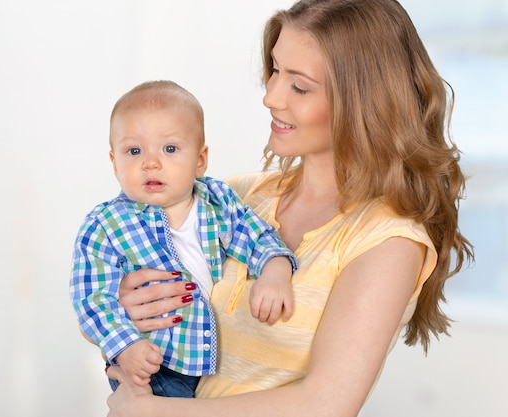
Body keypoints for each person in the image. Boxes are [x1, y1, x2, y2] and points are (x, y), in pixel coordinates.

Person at [104, 0, 475, 416]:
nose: (271, 97)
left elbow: (325, 404)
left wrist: (151, 411)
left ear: (362, 103)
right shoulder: (233, 198)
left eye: (299, 87)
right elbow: (114, 307)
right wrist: (123, 300)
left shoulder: (387, 241)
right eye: (275, 70)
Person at [70, 80, 297, 398]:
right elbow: (92, 299)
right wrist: (126, 346)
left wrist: (275, 269)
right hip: (153, 363)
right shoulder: (105, 225)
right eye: (134, 151)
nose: (150, 162)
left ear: (200, 160)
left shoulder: (218, 200)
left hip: (210, 363)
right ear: (114, 163)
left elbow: (256, 236)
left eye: (170, 149)